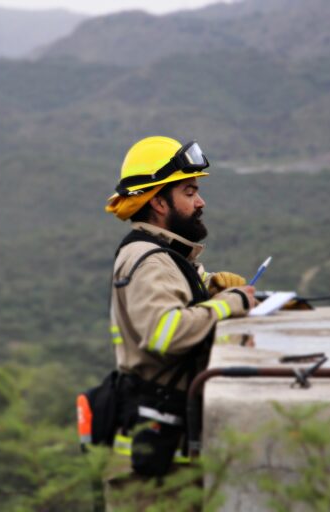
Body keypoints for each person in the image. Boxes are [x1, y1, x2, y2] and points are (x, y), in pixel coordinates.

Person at [102, 135, 256, 485]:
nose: (200, 202)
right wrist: (229, 304)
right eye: (188, 193)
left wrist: (212, 283)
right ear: (158, 202)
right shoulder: (150, 260)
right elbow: (164, 331)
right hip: (156, 459)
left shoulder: (161, 254)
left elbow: (176, 291)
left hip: (165, 444)